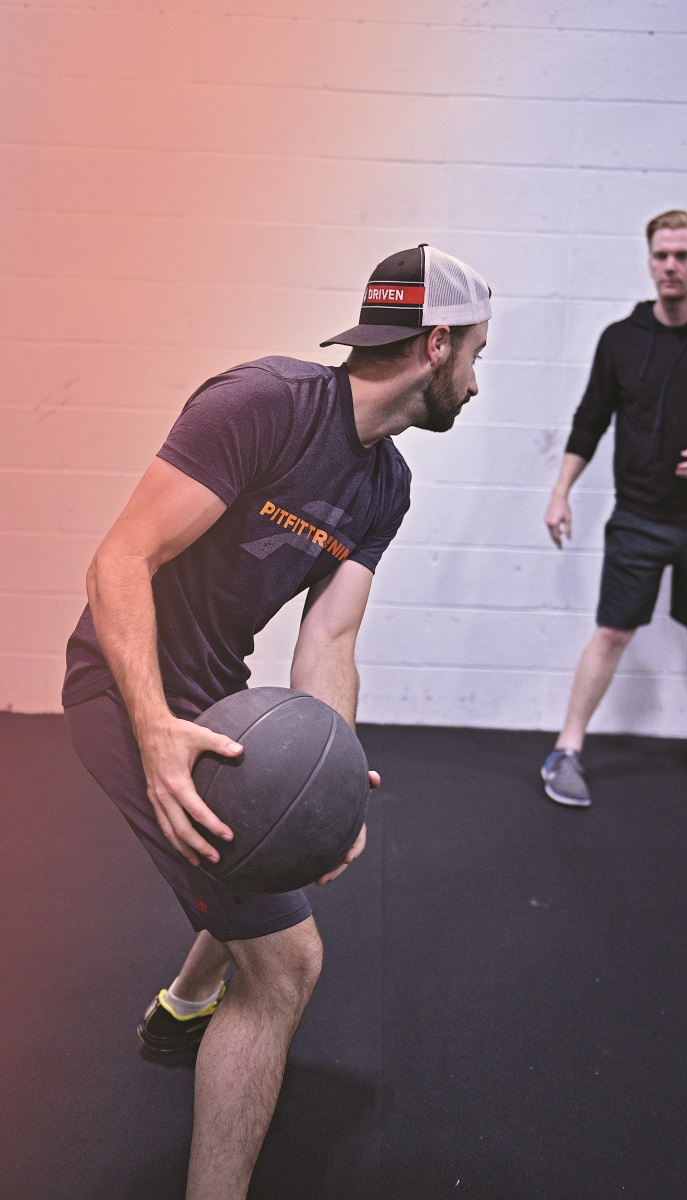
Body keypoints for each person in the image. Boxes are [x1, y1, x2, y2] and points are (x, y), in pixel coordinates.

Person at [62, 243, 491, 1199]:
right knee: (289, 966)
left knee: (281, 836)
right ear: (435, 344)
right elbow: (118, 563)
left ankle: (180, 1008)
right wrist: (155, 732)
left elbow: (328, 643)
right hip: (119, 693)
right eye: (476, 355)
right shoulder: (262, 404)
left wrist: (333, 776)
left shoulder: (386, 486)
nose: (476, 380)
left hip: (218, 700)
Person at [541, 209, 687, 807]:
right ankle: (567, 749)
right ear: (650, 262)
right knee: (612, 631)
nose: (670, 265)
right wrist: (560, 491)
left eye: (682, 255)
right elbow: (589, 421)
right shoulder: (620, 339)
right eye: (661, 255)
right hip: (639, 518)